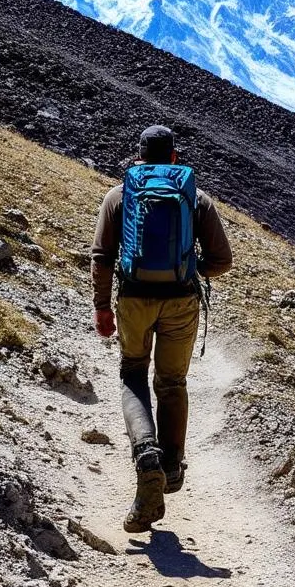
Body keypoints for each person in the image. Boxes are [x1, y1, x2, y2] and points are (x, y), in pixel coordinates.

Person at [90, 124, 233, 532]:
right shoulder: (195, 198)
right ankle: (171, 466)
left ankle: (146, 456)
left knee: (133, 373)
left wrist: (103, 308)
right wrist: (190, 271)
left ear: (138, 156)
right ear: (174, 157)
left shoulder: (119, 196)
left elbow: (102, 256)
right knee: (172, 382)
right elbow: (223, 260)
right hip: (182, 301)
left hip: (133, 300)